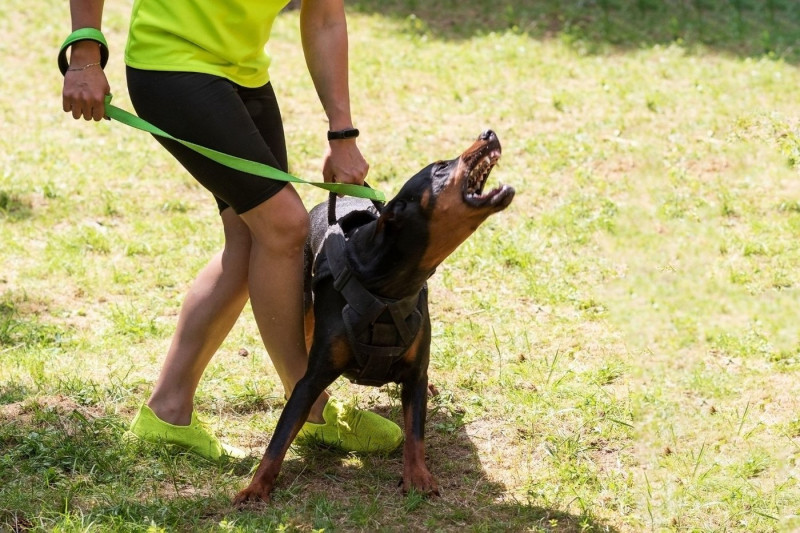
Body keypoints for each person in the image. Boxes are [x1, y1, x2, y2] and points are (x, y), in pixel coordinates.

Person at [61, 0, 402, 461]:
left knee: (252, 238)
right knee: (283, 226)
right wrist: (85, 53)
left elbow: (323, 16)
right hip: (171, 64)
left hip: (243, 75)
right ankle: (309, 404)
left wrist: (343, 135)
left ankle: (167, 410)